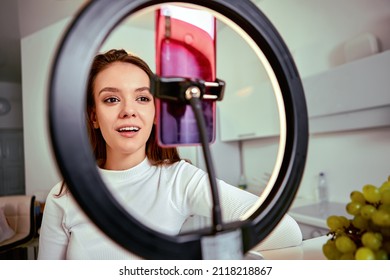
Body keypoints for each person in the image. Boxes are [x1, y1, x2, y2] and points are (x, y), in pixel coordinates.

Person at [38, 49, 302, 260]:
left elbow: (286, 231)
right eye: (111, 99)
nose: (129, 111)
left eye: (142, 98)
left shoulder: (179, 179)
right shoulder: (64, 195)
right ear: (94, 116)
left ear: (156, 114)